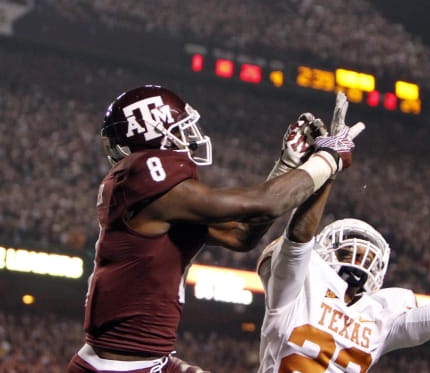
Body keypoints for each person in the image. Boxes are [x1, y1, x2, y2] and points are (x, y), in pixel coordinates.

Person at [66, 85, 364, 373]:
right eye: (179, 128)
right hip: (120, 368)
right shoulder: (149, 183)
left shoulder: (156, 198)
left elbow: (241, 234)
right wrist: (328, 159)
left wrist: (287, 166)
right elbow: (264, 203)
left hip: (148, 360)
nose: (187, 137)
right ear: (152, 131)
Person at [256, 97, 430, 372]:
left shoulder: (380, 314)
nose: (358, 262)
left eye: (367, 257)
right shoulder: (298, 288)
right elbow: (299, 239)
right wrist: (330, 164)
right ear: (325, 252)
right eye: (348, 252)